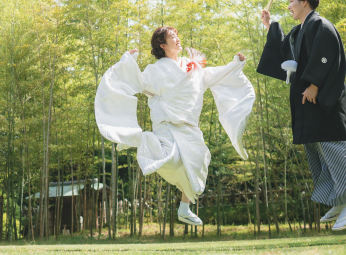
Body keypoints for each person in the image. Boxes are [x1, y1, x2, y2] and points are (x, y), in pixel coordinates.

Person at [95, 26, 255, 226]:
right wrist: (129, 62)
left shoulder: (192, 66)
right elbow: (138, 82)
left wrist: (235, 63)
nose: (177, 39)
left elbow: (214, 75)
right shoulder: (155, 69)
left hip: (190, 126)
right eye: (172, 37)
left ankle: (184, 209)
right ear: (163, 45)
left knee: (199, 162)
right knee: (172, 160)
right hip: (167, 124)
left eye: (177, 35)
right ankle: (141, 139)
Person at [256, 0, 346, 231]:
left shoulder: (320, 24)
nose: (289, 6)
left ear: (304, 1)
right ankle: (340, 201)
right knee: (318, 149)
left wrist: (315, 84)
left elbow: (327, 55)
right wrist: (269, 25)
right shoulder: (301, 30)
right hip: (309, 100)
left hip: (324, 99)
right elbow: (286, 49)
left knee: (334, 146)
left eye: (291, 1)